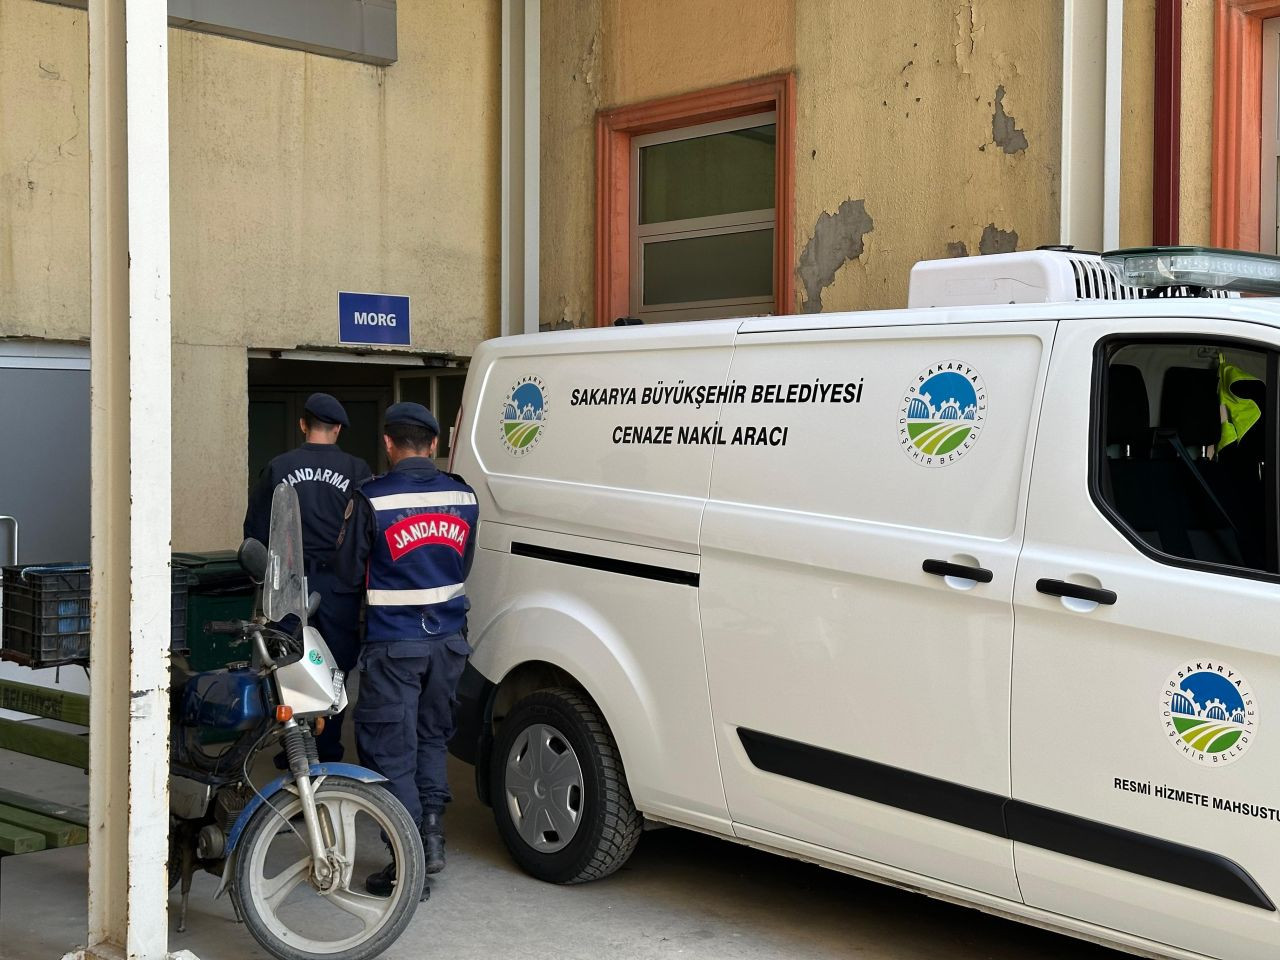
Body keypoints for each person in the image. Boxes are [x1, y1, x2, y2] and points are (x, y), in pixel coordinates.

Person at [333, 401, 477, 897]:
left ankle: (407, 866)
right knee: (432, 741)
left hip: (395, 645)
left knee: (391, 753)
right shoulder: (464, 496)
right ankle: (431, 839)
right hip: (449, 644)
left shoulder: (372, 497)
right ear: (434, 445)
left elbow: (349, 574)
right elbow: (464, 562)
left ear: (389, 445)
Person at [244, 392, 372, 763]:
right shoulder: (356, 470)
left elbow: (255, 530)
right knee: (335, 666)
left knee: (288, 661)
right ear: (337, 429)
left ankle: (295, 748)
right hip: (340, 586)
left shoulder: (280, 466)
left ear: (303, 425)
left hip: (289, 584)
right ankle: (328, 747)